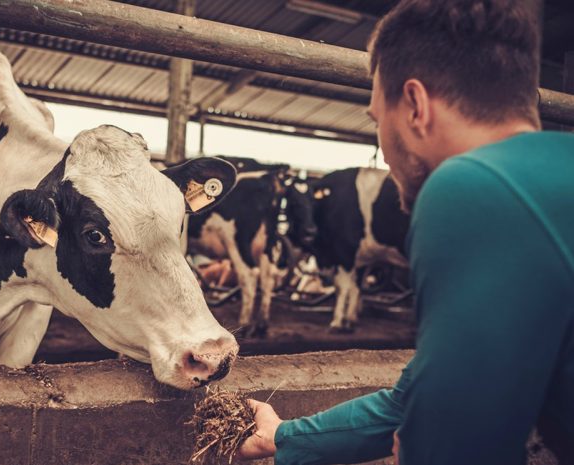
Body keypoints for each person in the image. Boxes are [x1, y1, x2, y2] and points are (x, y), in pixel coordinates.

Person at [236, 0, 574, 464]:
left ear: (414, 104)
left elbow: (457, 450)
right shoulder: (551, 177)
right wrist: (284, 437)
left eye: (377, 119)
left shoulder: (473, 186)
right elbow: (411, 401)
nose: (383, 146)